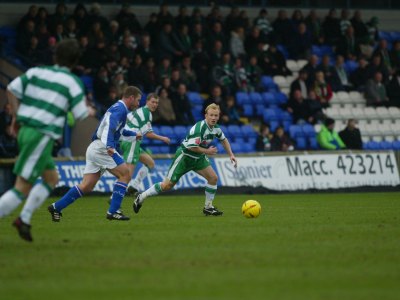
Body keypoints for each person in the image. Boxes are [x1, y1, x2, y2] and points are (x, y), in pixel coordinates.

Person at [0, 39, 90, 242]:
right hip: (41, 135)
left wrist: (15, 116)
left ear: (55, 55)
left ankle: (24, 219)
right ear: (75, 61)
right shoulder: (72, 82)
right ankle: (22, 218)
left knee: (51, 179)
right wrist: (90, 109)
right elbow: (80, 115)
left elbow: (11, 89)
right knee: (22, 186)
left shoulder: (36, 72)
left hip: (27, 131)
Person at [48, 86, 143, 223]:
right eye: (138, 100)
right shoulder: (120, 109)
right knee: (125, 174)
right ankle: (113, 210)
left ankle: (56, 207)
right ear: (131, 98)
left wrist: (134, 134)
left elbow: (118, 131)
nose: (139, 104)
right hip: (102, 148)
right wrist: (110, 145)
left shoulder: (119, 109)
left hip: (95, 147)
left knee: (87, 186)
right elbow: (109, 127)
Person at [133, 103, 237, 216]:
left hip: (198, 158)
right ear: (205, 115)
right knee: (166, 186)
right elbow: (192, 147)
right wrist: (207, 151)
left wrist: (231, 154)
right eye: (211, 115)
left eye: (216, 115)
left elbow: (224, 139)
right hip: (184, 157)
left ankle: (208, 207)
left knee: (213, 178)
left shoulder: (216, 129)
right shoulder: (199, 128)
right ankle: (141, 196)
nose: (213, 118)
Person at [122, 93, 171, 194]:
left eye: (157, 103)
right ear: (147, 101)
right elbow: (148, 134)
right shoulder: (146, 113)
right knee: (128, 173)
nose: (155, 104)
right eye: (153, 102)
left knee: (150, 163)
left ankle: (133, 186)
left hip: (130, 141)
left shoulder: (140, 111)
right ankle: (115, 196)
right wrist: (163, 138)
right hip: (131, 142)